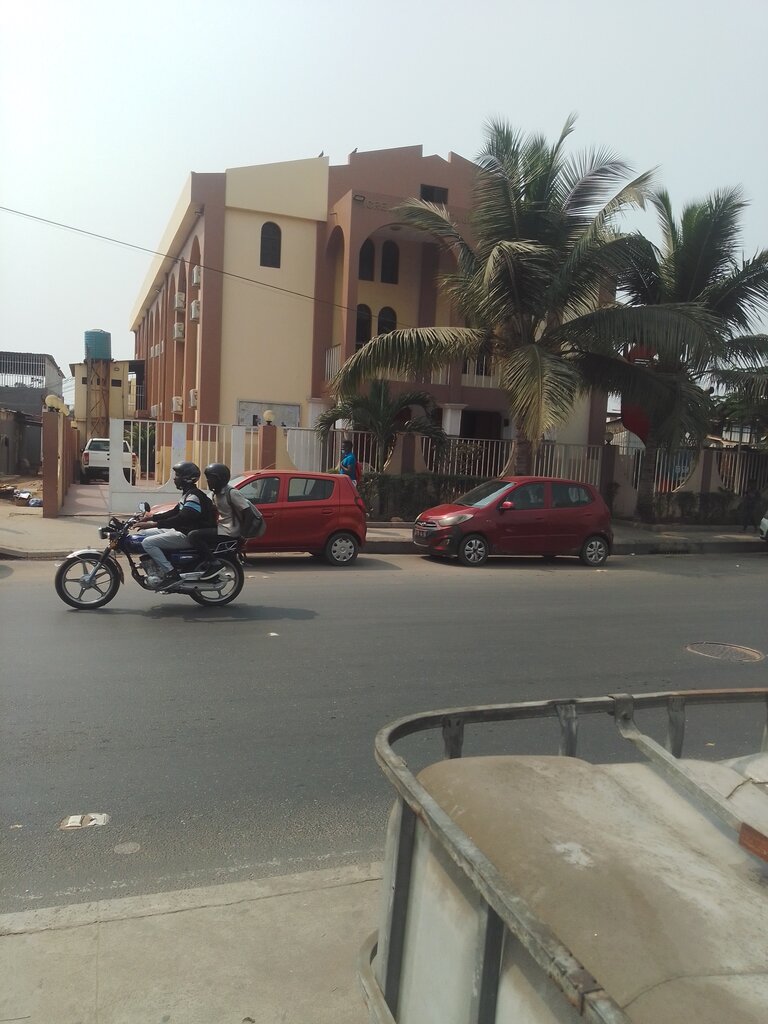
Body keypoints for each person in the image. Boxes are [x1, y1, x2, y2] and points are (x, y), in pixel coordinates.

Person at [136, 461, 215, 589]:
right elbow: (175, 512)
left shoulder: (194, 496)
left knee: (148, 543)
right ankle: (158, 565)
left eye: (178, 475)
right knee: (143, 534)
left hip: (188, 535)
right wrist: (150, 517)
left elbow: (181, 519)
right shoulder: (188, 493)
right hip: (182, 531)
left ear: (187, 478)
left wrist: (154, 524)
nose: (174, 478)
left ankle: (171, 574)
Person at [188, 462, 253, 576]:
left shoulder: (232, 493)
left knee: (193, 535)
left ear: (219, 479)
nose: (207, 481)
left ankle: (213, 563)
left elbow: (248, 512)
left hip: (229, 531)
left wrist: (244, 534)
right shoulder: (215, 494)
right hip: (222, 527)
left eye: (210, 478)